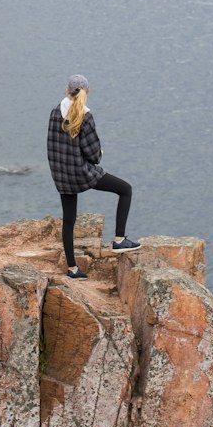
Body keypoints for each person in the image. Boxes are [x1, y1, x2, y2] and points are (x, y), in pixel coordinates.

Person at [47, 73, 140, 279]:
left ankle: (72, 269)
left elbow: (51, 146)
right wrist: (99, 154)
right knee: (125, 189)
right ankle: (118, 240)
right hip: (81, 173)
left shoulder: (55, 112)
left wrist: (59, 170)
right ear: (87, 92)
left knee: (69, 220)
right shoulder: (85, 115)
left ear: (66, 91)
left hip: (62, 175)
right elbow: (94, 156)